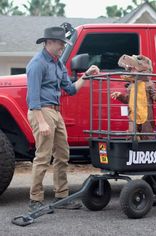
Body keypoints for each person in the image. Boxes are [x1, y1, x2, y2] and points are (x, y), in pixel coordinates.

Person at [26, 26, 100, 212]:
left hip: (56, 113)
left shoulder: (57, 63)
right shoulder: (37, 64)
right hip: (41, 111)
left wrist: (87, 76)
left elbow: (71, 89)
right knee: (43, 156)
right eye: (60, 43)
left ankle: (62, 196)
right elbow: (32, 98)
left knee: (62, 155)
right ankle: (35, 200)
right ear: (48, 42)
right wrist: (42, 121)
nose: (62, 47)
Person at [111, 54, 156, 140]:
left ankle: (147, 150)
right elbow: (127, 100)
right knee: (132, 135)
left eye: (134, 68)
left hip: (146, 116)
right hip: (133, 115)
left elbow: (155, 97)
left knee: (147, 135)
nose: (132, 70)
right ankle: (132, 149)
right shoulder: (131, 85)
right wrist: (120, 96)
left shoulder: (149, 84)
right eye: (131, 69)